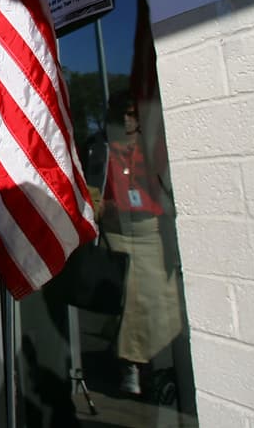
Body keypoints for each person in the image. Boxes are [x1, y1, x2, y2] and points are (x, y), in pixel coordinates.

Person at [93, 89, 182, 397]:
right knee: (129, 301)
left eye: (132, 114)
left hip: (150, 231)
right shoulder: (101, 149)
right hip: (117, 231)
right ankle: (130, 364)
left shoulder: (153, 148)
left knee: (160, 299)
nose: (127, 120)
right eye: (122, 114)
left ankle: (156, 361)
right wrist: (98, 207)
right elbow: (92, 187)